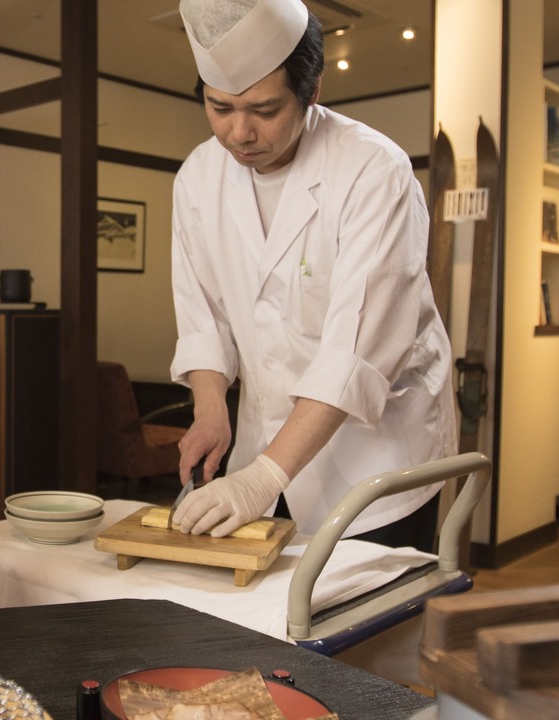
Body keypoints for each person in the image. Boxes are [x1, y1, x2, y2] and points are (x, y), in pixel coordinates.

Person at [168, 0, 456, 552]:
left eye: (264, 109)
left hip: (376, 456)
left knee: (366, 602)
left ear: (313, 91)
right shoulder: (198, 177)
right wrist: (211, 411)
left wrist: (261, 478)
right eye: (220, 107)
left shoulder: (374, 170)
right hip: (265, 449)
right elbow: (203, 316)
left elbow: (355, 352)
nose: (239, 133)